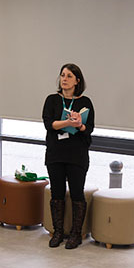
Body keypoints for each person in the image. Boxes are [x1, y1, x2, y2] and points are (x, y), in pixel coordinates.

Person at [42, 63, 95, 250]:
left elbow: (89, 129)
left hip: (77, 155)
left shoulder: (85, 102)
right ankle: (58, 232)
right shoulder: (52, 100)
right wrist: (67, 122)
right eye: (63, 75)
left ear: (77, 81)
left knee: (77, 193)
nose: (64, 79)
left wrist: (79, 124)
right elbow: (49, 124)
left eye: (69, 76)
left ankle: (75, 234)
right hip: (56, 153)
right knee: (56, 193)